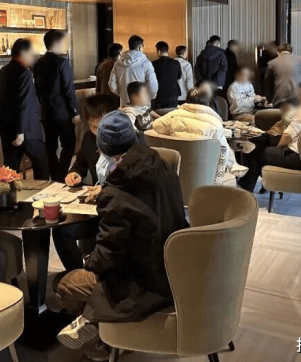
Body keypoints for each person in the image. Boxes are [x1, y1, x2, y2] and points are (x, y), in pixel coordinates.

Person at [55, 111, 187, 357]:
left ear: (104, 148)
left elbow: (108, 255)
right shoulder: (163, 167)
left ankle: (105, 339)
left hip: (141, 280)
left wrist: (88, 262)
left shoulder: (117, 192)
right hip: (174, 266)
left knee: (63, 284)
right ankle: (97, 324)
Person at [54, 95, 117, 272]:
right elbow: (79, 165)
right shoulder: (89, 139)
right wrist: (74, 174)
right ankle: (78, 275)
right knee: (61, 230)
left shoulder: (123, 140)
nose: (97, 131)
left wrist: (104, 189)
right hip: (94, 209)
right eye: (92, 126)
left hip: (117, 210)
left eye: (101, 126)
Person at [152, 86, 246, 184]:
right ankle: (233, 166)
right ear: (207, 103)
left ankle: (234, 166)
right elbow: (223, 153)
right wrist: (218, 179)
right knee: (224, 146)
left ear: (187, 101)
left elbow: (155, 126)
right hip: (204, 175)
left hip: (173, 171)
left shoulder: (172, 116)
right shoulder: (215, 123)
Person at [0, 38, 49, 179]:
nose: (33, 57)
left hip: (7, 128)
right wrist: (20, 131)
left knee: (10, 169)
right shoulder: (25, 73)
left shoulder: (3, 71)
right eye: (31, 53)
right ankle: (41, 191)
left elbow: (0, 99)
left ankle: (9, 193)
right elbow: (24, 103)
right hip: (27, 130)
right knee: (42, 165)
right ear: (23, 53)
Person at [34, 30, 80, 182]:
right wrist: (75, 111)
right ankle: (61, 175)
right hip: (63, 113)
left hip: (46, 112)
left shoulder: (38, 63)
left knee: (51, 146)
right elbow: (68, 89)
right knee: (69, 144)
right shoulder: (62, 62)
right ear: (57, 43)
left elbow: (37, 90)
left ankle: (54, 175)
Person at [109, 35, 158, 106]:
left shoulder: (118, 64)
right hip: (142, 103)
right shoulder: (146, 63)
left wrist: (123, 94)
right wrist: (149, 97)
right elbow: (152, 84)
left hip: (124, 103)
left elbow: (112, 84)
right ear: (140, 47)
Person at [264, 43, 301, 107]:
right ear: (291, 53)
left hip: (279, 101)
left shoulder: (271, 64)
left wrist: (269, 100)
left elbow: (267, 84)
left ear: (278, 53)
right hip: (298, 99)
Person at [151, 41, 182, 109]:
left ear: (159, 51)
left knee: (159, 114)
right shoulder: (176, 63)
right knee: (172, 113)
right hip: (173, 94)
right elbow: (179, 76)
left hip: (159, 94)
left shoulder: (153, 64)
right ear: (167, 50)